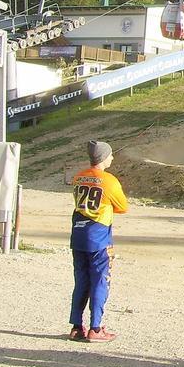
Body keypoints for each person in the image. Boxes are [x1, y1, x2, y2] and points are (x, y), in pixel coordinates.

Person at [69, 140, 128, 343]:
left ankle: (76, 327)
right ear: (103, 157)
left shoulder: (78, 177)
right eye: (110, 155)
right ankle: (96, 327)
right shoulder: (109, 181)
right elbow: (122, 206)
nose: (112, 158)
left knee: (81, 281)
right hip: (99, 237)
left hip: (77, 234)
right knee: (100, 280)